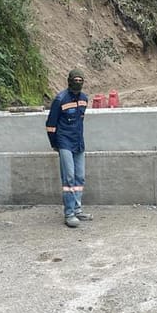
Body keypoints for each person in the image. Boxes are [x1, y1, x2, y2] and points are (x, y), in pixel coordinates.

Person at [45, 69, 92, 228]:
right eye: (75, 79)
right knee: (69, 178)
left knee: (80, 177)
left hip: (79, 143)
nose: (78, 82)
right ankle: (69, 213)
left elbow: (80, 121)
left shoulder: (84, 99)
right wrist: (55, 145)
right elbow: (51, 126)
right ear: (69, 80)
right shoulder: (60, 99)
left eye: (81, 80)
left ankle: (78, 209)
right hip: (64, 143)